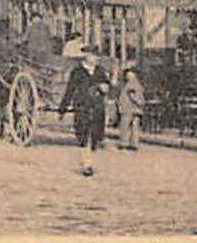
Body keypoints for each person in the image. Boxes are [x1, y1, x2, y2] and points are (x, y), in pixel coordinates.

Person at [57, 46, 108, 176]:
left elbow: (108, 86)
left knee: (96, 136)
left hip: (97, 108)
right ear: (86, 56)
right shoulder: (77, 72)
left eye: (98, 56)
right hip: (82, 107)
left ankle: (89, 160)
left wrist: (106, 87)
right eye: (94, 56)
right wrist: (63, 108)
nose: (97, 59)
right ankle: (87, 164)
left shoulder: (100, 71)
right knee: (83, 135)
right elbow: (70, 89)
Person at [118, 66, 144, 151]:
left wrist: (139, 102)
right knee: (134, 127)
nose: (128, 76)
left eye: (130, 74)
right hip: (136, 109)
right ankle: (134, 144)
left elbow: (132, 95)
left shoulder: (131, 84)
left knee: (125, 126)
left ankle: (124, 143)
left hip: (128, 108)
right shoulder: (138, 83)